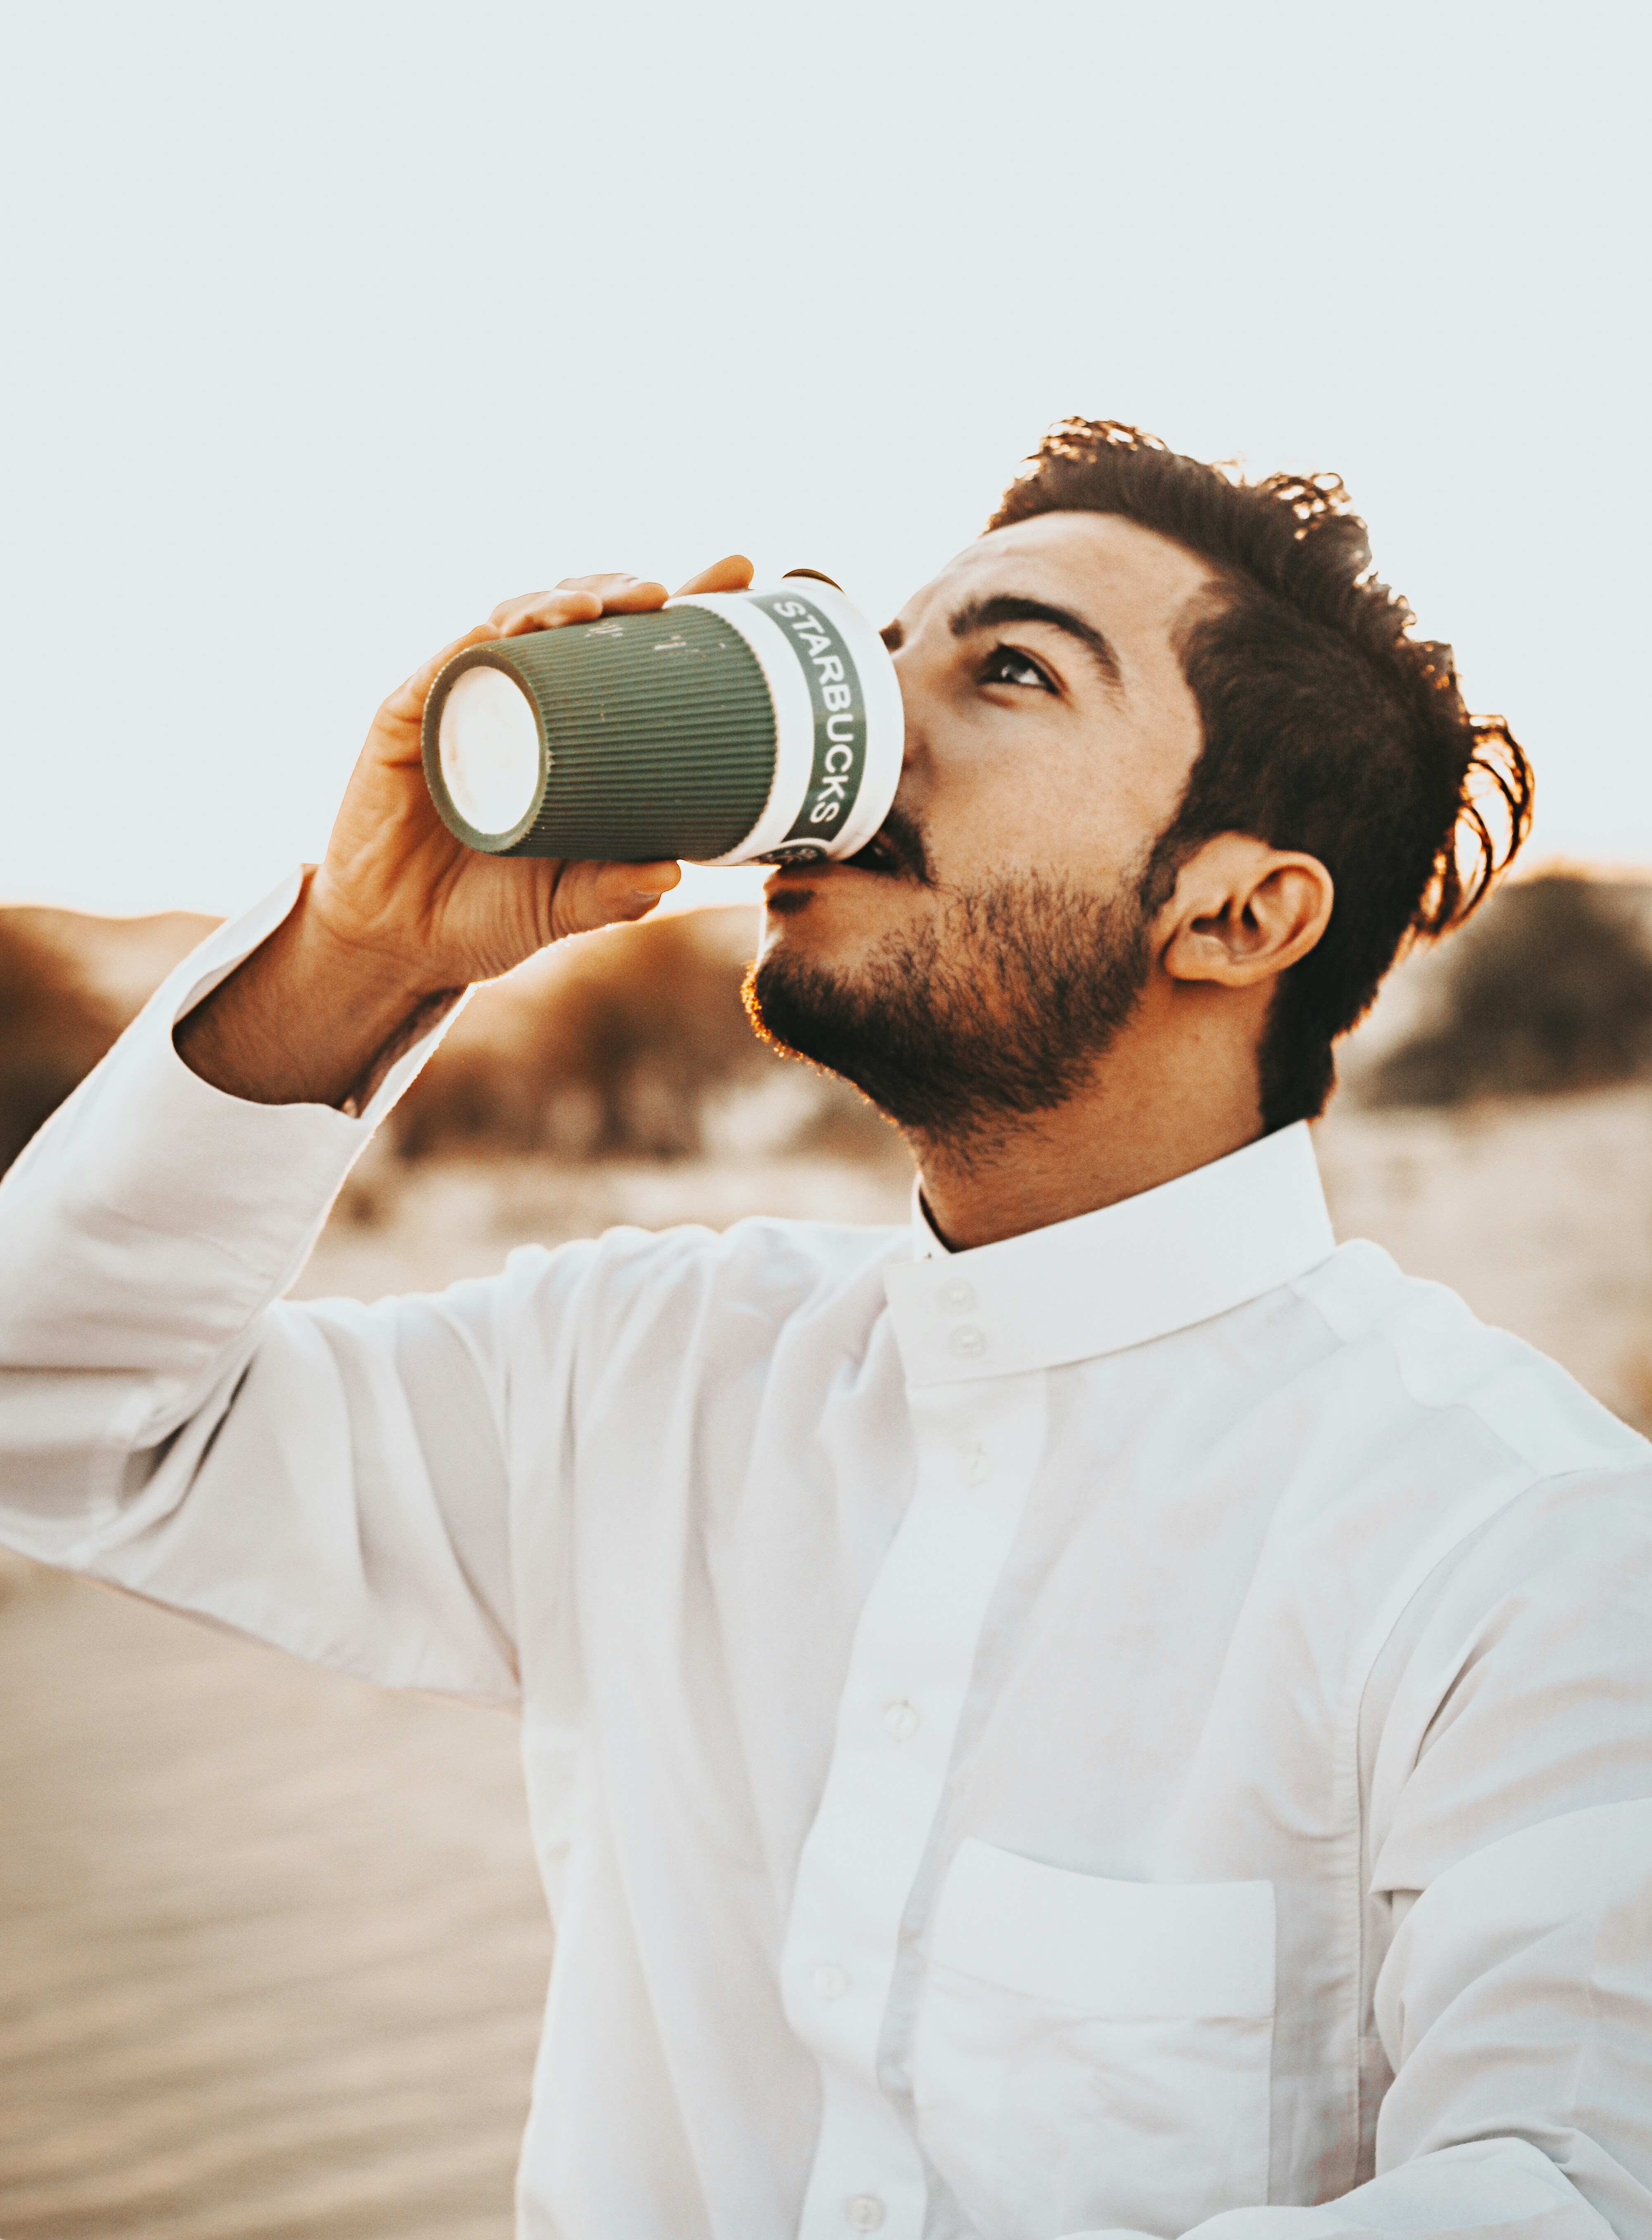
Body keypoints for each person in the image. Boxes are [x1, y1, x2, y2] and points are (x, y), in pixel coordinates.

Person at [2, 419, 1649, 2240]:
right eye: (872, 658)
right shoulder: (643, 1370)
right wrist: (364, 950)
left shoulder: (1519, 1545)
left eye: (1008, 671)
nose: (863, 746)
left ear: (1240, 911)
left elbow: (1567, 2188)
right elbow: (58, 1413)